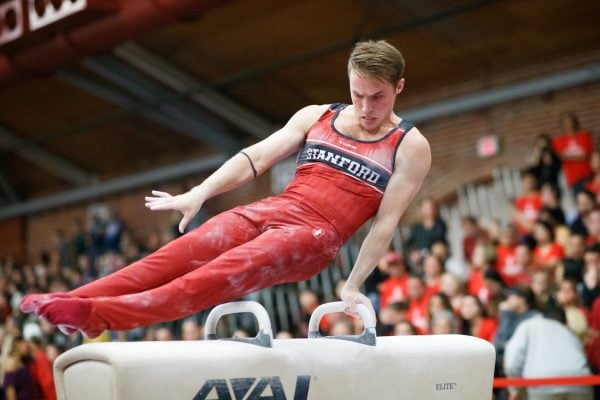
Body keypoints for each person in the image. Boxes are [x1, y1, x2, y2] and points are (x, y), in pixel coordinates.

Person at [20, 40, 431, 338]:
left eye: (376, 97)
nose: (364, 107)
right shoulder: (317, 115)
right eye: (357, 94)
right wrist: (201, 192)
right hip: (276, 208)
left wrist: (353, 284)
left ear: (398, 87)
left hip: (315, 236)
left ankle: (102, 317)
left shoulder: (409, 146)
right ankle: (75, 300)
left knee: (220, 273)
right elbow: (255, 157)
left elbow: (386, 222)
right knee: (177, 254)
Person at [504, 306, 593, 400]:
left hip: (543, 384)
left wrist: (515, 389)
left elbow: (512, 360)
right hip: (581, 381)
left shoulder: (529, 325)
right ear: (565, 321)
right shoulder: (568, 331)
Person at [552, 112, 594, 195]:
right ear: (562, 124)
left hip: (588, 174)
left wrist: (567, 157)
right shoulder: (557, 141)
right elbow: (559, 158)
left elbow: (586, 156)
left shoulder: (584, 135)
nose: (569, 124)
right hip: (573, 179)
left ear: (575, 121)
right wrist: (578, 156)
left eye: (570, 121)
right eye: (566, 122)